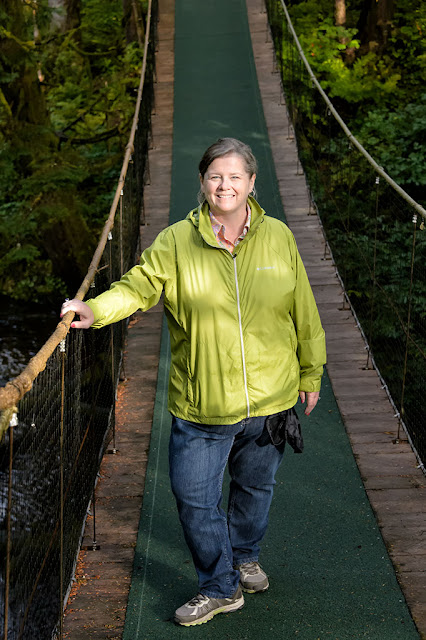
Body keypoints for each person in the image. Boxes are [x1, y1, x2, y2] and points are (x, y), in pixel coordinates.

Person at [61, 137, 326, 627]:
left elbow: (303, 311)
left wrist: (311, 370)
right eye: (214, 176)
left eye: (234, 176)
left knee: (254, 487)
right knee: (194, 500)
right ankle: (219, 585)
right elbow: (138, 287)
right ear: (203, 183)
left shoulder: (279, 238)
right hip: (203, 405)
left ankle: (243, 557)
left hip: (271, 400)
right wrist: (94, 310)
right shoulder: (176, 242)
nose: (224, 185)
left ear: (251, 183)